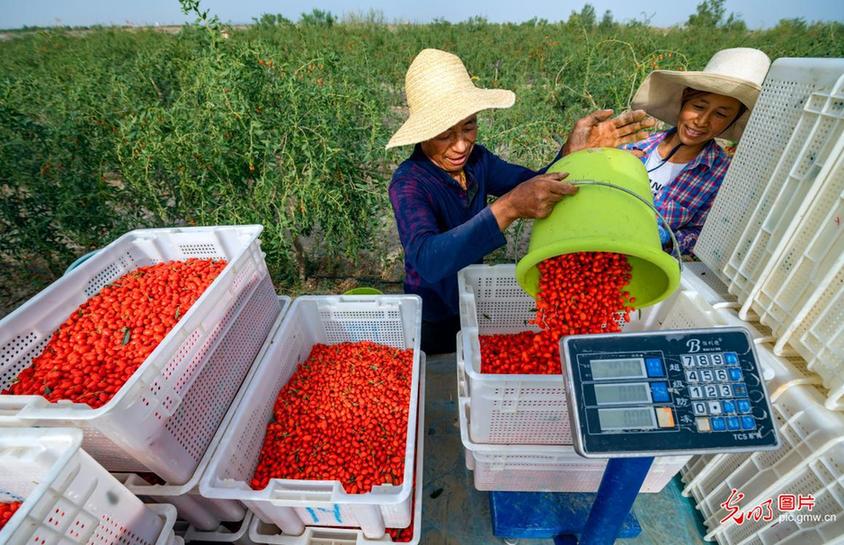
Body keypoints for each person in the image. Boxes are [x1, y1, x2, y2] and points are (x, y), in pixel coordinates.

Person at [387, 48, 654, 354]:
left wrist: (572, 152)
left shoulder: (478, 162)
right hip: (432, 311)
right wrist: (508, 208)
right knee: (442, 371)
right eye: (444, 135)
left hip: (470, 295)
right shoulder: (409, 183)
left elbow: (530, 184)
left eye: (469, 126)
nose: (461, 145)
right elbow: (428, 260)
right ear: (422, 133)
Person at [621, 47, 771, 255]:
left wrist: (668, 239)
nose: (702, 121)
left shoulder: (720, 177)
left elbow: (701, 232)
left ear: (733, 121)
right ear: (684, 102)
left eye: (720, 114)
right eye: (699, 106)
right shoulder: (637, 145)